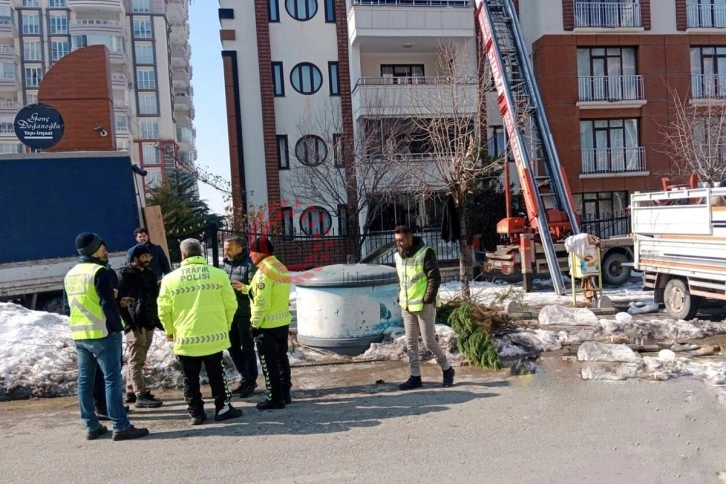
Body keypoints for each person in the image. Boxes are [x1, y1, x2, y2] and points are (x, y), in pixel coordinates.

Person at [64, 232, 149, 441]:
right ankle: (121, 426)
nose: (106, 250)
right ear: (94, 249)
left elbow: (67, 308)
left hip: (80, 334)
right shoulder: (100, 272)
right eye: (102, 246)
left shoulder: (71, 273)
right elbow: (107, 303)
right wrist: (116, 326)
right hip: (103, 332)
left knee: (85, 381)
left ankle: (91, 425)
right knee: (112, 380)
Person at [158, 238, 242, 425]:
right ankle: (222, 408)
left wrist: (170, 331)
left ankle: (196, 413)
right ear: (201, 252)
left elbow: (164, 310)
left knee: (190, 378)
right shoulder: (218, 275)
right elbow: (231, 305)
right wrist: (225, 326)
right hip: (214, 336)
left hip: (186, 338)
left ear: (183, 254)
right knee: (217, 375)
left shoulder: (169, 279)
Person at [393, 225, 455, 390]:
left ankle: (447, 370)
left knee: (428, 341)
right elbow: (401, 279)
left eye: (401, 240)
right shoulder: (397, 257)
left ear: (409, 238)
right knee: (411, 341)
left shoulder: (425, 252)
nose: (398, 244)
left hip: (423, 304)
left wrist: (428, 298)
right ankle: (415, 377)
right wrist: (400, 295)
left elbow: (434, 277)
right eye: (396, 241)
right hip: (407, 304)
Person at [247, 236, 292, 410]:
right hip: (282, 322)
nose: (250, 255)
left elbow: (261, 302)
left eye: (252, 252)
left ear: (261, 253)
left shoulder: (264, 272)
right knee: (282, 359)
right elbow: (273, 293)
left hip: (267, 326)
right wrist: (246, 289)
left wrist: (254, 324)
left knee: (269, 363)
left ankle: (275, 398)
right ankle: (285, 394)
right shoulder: (280, 266)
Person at [118, 244, 164, 408]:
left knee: (138, 358)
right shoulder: (125, 275)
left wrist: (157, 322)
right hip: (134, 322)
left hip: (148, 321)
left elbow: (154, 299)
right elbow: (120, 302)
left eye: (148, 256)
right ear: (134, 259)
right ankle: (141, 395)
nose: (147, 259)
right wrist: (129, 324)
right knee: (136, 360)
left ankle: (131, 391)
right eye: (144, 256)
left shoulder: (150, 275)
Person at [222, 236, 258, 397]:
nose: (226, 251)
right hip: (230, 314)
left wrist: (244, 287)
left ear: (240, 249)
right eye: (225, 248)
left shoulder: (250, 264)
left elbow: (256, 288)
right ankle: (245, 377)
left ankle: (250, 381)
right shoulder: (226, 265)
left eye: (229, 248)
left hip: (245, 313)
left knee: (247, 348)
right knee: (232, 347)